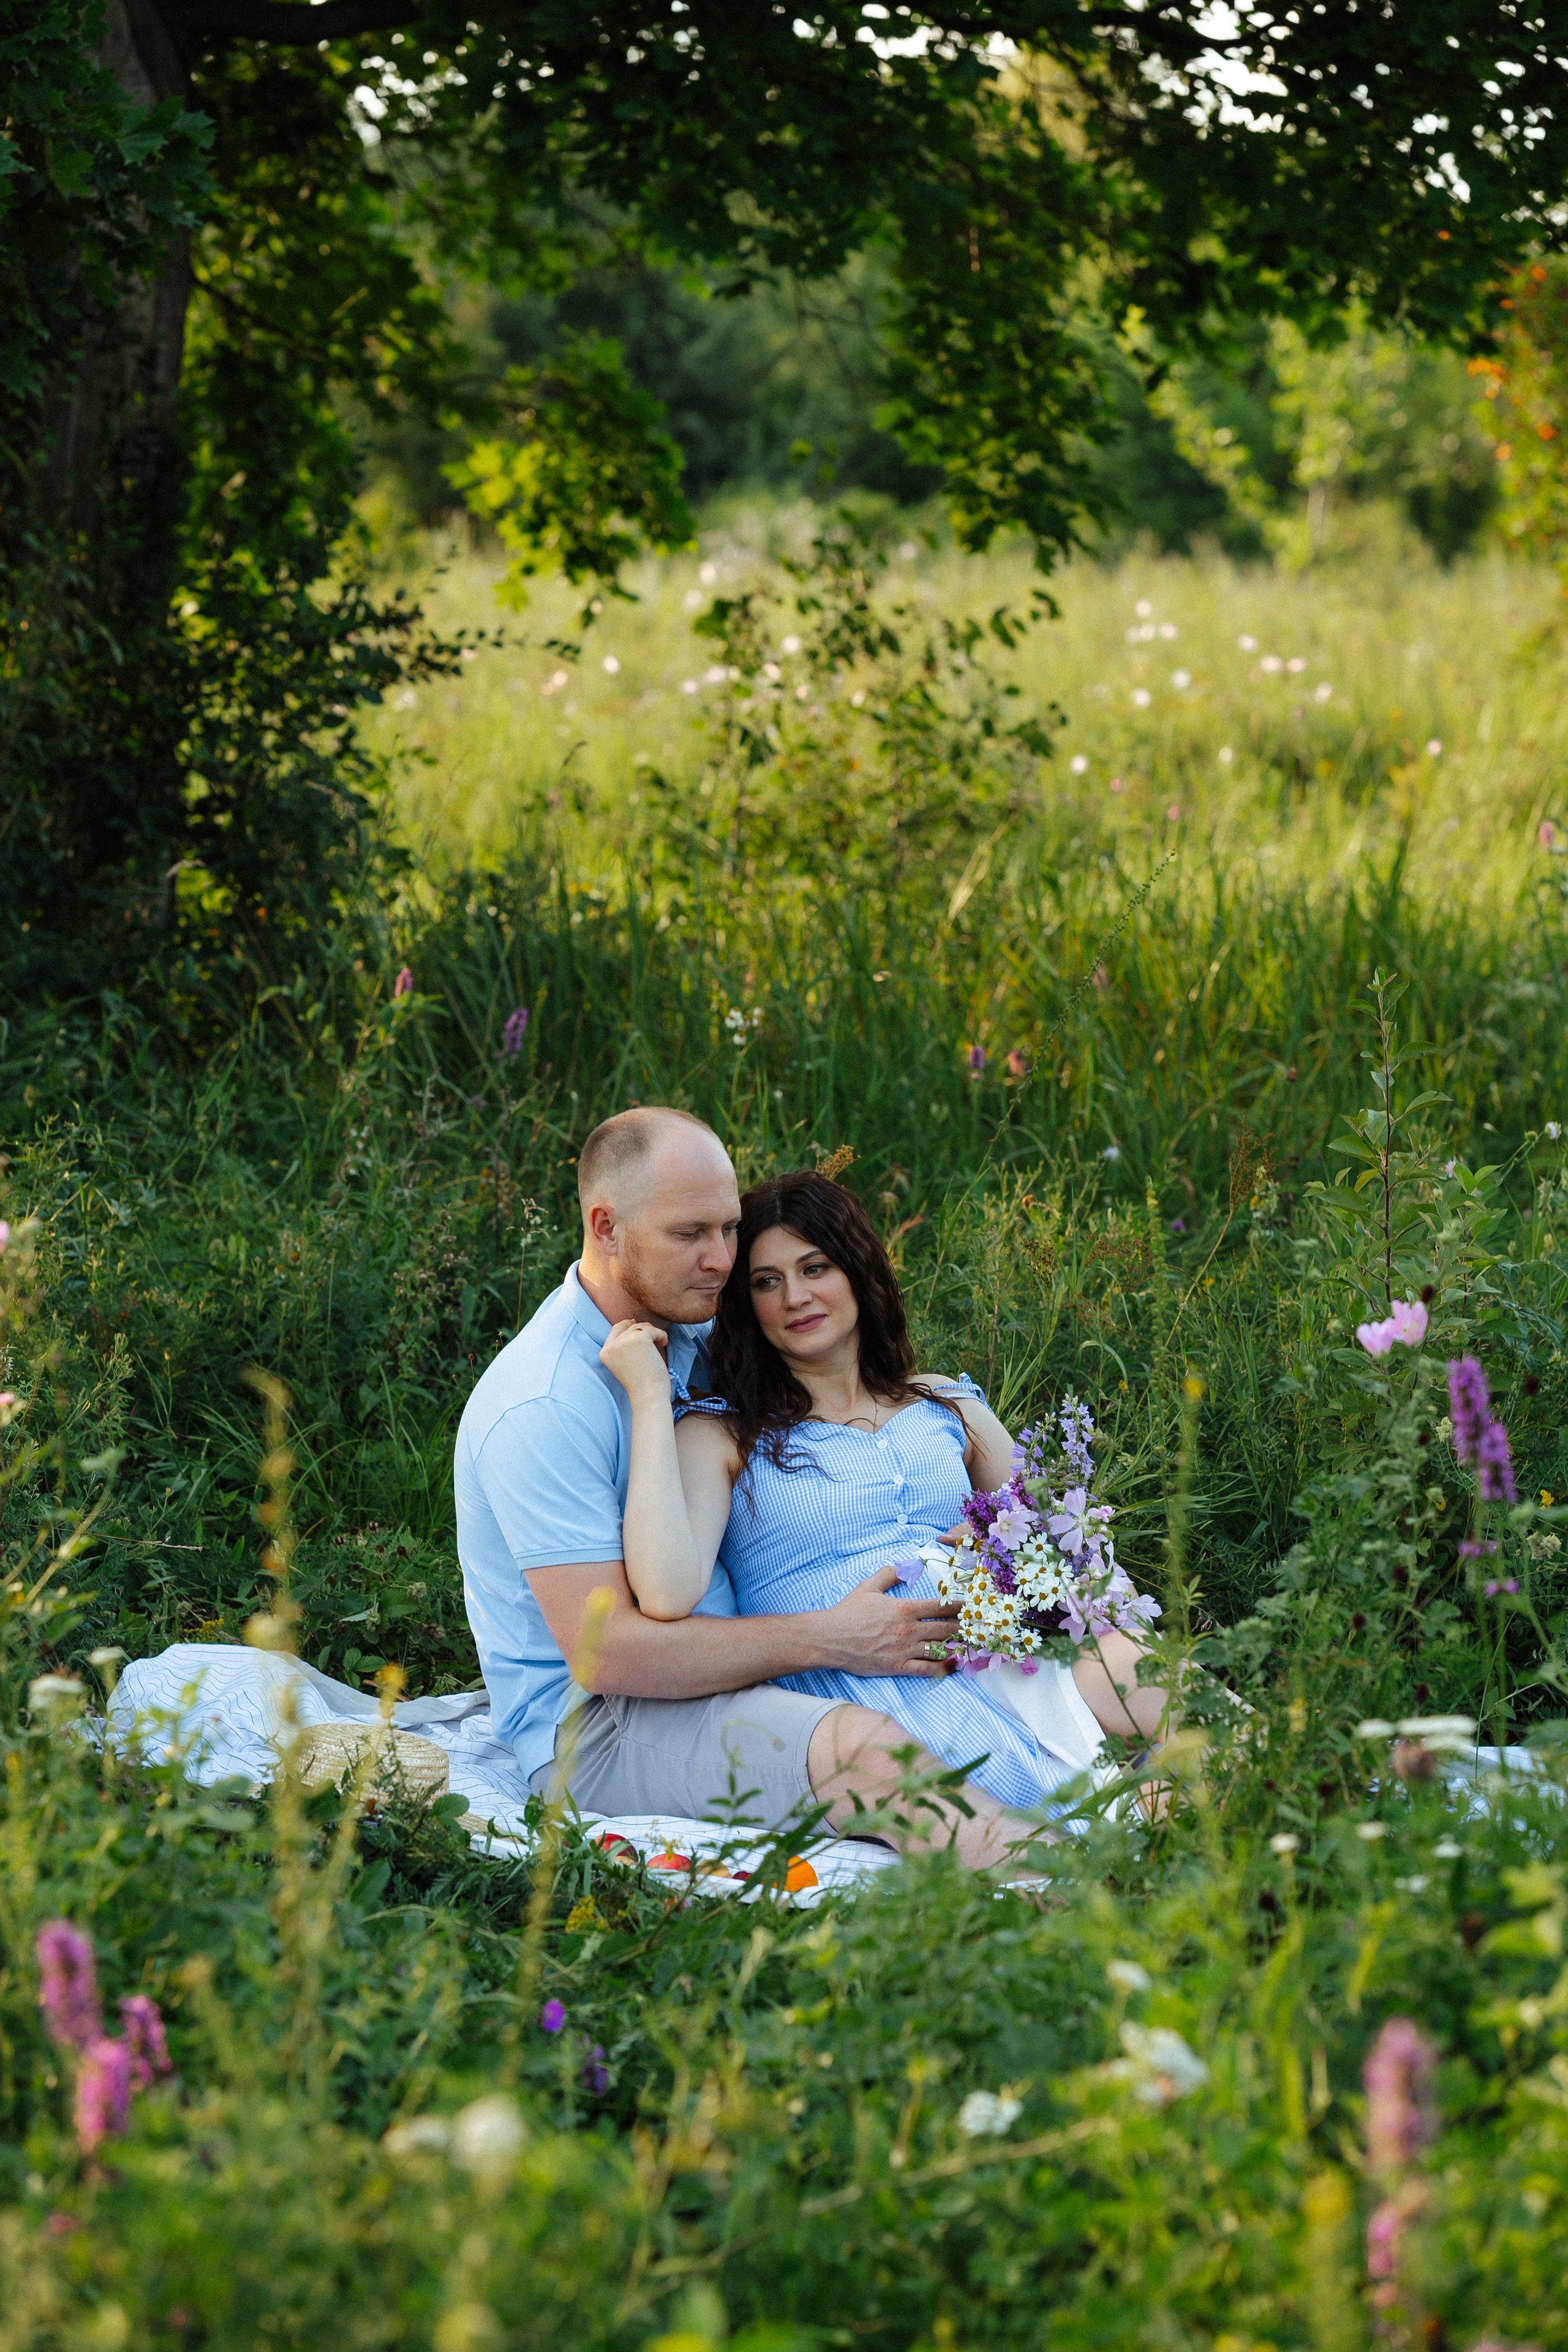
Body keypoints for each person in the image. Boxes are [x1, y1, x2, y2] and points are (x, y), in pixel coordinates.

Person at [454, 1106, 1044, 1872]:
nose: (721, 1260)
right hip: (607, 1725)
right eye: (689, 1234)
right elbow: (609, 1658)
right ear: (605, 1227)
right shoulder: (542, 1405)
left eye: (729, 1229)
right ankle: (1069, 1895)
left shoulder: (696, 1327)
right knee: (868, 1754)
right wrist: (835, 1637)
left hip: (749, 1670)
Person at [602, 1166, 1174, 1822]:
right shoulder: (725, 1432)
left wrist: (998, 1536)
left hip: (1005, 1653)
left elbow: (1063, 1542)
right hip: (878, 1687)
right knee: (1078, 1814)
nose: (794, 1297)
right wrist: (650, 1398)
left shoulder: (944, 1403)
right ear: (745, 1303)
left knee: (1176, 1701)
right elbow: (667, 1591)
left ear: (857, 1271)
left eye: (815, 1268)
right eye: (766, 1281)